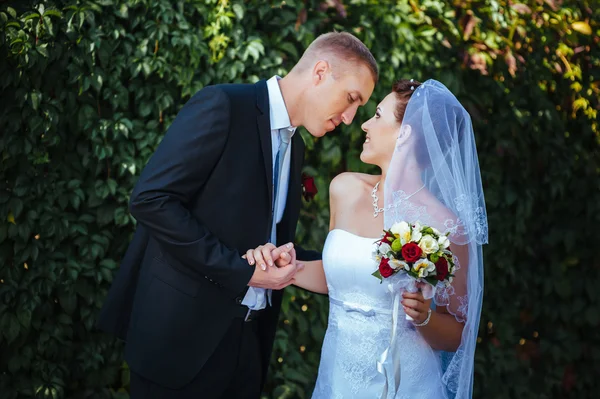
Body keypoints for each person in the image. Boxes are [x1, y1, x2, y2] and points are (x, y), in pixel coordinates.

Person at [96, 32, 377, 399]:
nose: (350, 117)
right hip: (179, 346)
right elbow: (151, 199)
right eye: (351, 99)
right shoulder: (224, 105)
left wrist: (374, 269)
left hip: (247, 350)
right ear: (320, 72)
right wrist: (241, 271)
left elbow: (264, 238)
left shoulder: (297, 147)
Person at [249, 78, 487, 398]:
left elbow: (458, 333)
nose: (364, 125)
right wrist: (289, 268)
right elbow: (341, 277)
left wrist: (424, 316)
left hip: (407, 386)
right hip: (338, 379)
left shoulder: (445, 227)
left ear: (405, 134)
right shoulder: (344, 189)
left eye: (376, 115)